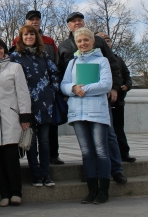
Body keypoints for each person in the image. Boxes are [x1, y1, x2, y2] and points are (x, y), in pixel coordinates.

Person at [58, 12, 127, 185]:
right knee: (87, 147)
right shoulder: (65, 46)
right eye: (73, 21)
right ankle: (90, 173)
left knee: (108, 137)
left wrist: (114, 87)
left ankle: (116, 169)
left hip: (98, 101)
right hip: (78, 102)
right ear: (69, 26)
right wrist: (71, 90)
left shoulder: (99, 42)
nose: (77, 23)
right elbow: (62, 73)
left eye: (80, 20)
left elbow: (113, 64)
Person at [60, 27, 113, 204]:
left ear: (92, 41)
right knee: (87, 152)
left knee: (101, 151)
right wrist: (73, 89)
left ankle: (104, 191)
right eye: (79, 41)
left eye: (86, 40)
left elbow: (106, 84)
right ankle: (92, 190)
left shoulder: (102, 61)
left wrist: (83, 89)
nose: (83, 44)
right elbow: (64, 85)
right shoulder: (72, 63)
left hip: (97, 111)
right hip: (77, 112)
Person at [0, 38, 32, 207]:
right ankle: (4, 194)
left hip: (11, 118)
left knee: (11, 159)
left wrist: (25, 117)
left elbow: (23, 93)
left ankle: (16, 192)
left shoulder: (15, 67)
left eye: (0, 48)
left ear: (4, 50)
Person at [10, 25, 60, 187]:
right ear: (21, 37)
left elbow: (54, 74)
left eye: (32, 34)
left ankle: (46, 173)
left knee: (44, 141)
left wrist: (51, 90)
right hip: (26, 105)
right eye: (26, 34)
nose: (29, 37)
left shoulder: (43, 54)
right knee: (30, 142)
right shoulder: (15, 57)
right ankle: (35, 174)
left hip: (45, 104)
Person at [96, 32, 135, 163]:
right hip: (101, 100)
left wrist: (125, 86)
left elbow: (126, 75)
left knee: (118, 128)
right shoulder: (96, 59)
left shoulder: (118, 59)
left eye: (108, 40)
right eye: (102, 40)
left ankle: (123, 153)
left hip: (117, 100)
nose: (106, 43)